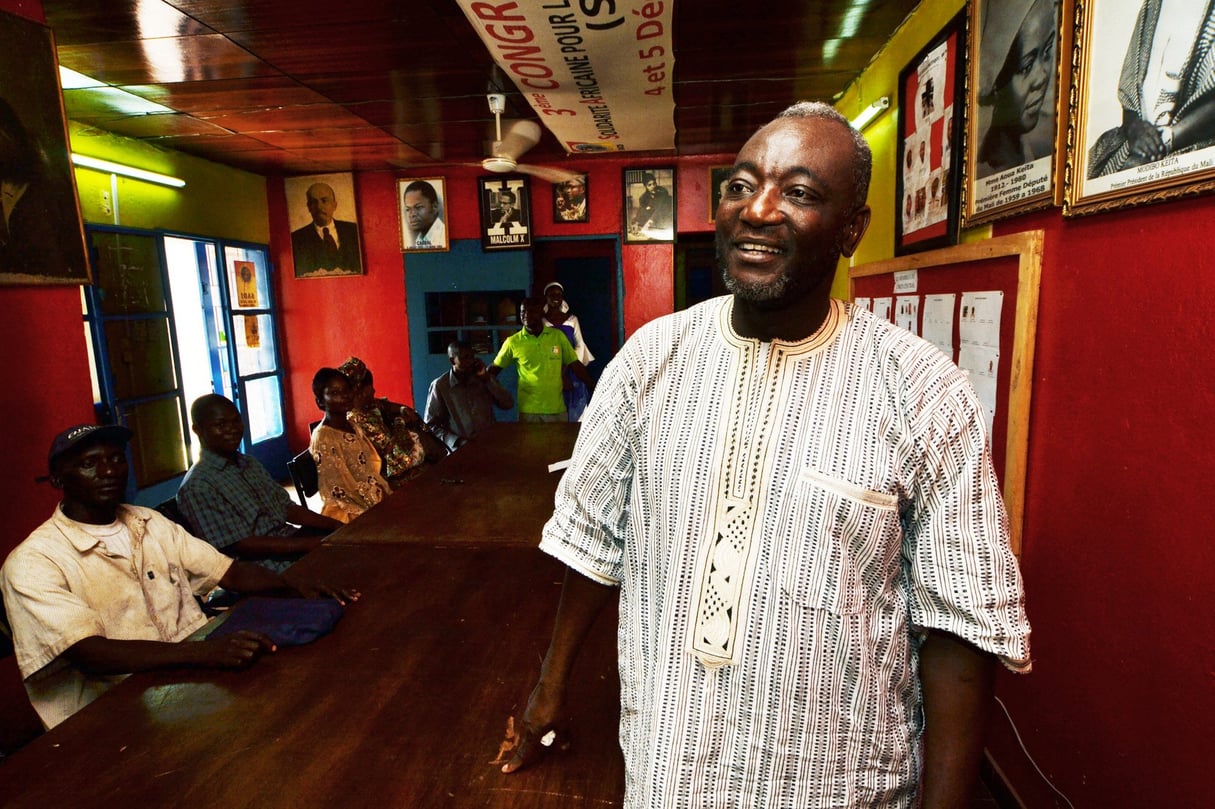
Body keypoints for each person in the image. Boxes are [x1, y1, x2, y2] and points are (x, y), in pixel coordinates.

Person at [500, 102, 1031, 807]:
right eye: (740, 185)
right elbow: (594, 546)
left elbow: (959, 631)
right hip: (669, 765)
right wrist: (547, 690)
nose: (758, 209)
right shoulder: (649, 361)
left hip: (840, 781)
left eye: (800, 192)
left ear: (851, 230)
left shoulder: (923, 391)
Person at [0, 423, 358, 729]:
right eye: (89, 464)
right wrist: (204, 653)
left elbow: (228, 571)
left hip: (191, 682)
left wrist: (296, 588)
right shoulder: (33, 562)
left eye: (115, 459)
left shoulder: (149, 522)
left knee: (315, 702)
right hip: (111, 717)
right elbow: (91, 654)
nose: (109, 471)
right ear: (58, 479)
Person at [177, 394, 342, 571]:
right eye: (220, 424)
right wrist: (313, 545)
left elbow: (286, 508)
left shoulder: (248, 463)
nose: (232, 429)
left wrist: (336, 527)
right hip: (262, 566)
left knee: (355, 548)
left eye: (236, 421)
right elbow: (241, 545)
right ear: (198, 430)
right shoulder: (198, 485)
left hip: (290, 542)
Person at [1088, 0, 1215, 177]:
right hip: (1136, 139)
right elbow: (1130, 86)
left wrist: (1167, 140)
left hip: (1193, 145)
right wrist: (1134, 128)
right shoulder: (1153, 5)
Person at [976, 0, 1058, 177]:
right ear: (996, 82)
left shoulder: (1047, 145)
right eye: (1026, 67)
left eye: (1048, 50)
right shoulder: (981, 173)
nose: (1042, 76)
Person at [337, 356, 447, 486]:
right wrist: (401, 422)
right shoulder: (359, 419)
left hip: (400, 467)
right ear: (359, 392)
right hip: (389, 478)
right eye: (370, 388)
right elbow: (397, 455)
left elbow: (384, 405)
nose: (374, 391)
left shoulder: (367, 406)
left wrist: (401, 409)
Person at [489, 298, 593, 423]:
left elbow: (575, 364)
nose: (526, 316)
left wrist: (594, 386)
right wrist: (481, 378)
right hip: (529, 412)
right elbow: (493, 370)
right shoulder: (513, 342)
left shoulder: (557, 337)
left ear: (541, 313)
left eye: (531, 311)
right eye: (523, 312)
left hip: (557, 409)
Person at [308, 368, 390, 522]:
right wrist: (376, 502)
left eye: (347, 390)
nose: (344, 396)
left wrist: (381, 492)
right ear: (320, 402)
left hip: (370, 496)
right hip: (347, 511)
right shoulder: (324, 437)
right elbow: (341, 489)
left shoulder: (351, 424)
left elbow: (369, 466)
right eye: (334, 393)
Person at [424, 340, 515, 450]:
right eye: (464, 358)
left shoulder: (483, 379)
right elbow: (431, 425)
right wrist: (456, 441)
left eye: (472, 357)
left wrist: (487, 379)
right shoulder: (440, 386)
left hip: (489, 445)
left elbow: (508, 404)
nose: (470, 361)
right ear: (453, 361)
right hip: (460, 449)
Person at [541, 281, 595, 421]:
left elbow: (579, 345)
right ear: (546, 297)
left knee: (577, 412)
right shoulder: (542, 322)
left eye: (558, 294)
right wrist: (559, 373)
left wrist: (566, 368)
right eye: (551, 294)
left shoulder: (572, 320)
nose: (555, 297)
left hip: (573, 370)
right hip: (551, 370)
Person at [290, 182, 362, 274]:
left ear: (334, 205)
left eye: (324, 200)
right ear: (309, 207)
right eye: (314, 202)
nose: (319, 207)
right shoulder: (296, 239)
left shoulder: (354, 231)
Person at [402, 179, 446, 249]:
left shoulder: (443, 237)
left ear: (435, 207)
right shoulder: (419, 241)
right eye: (408, 209)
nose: (412, 214)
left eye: (418, 207)